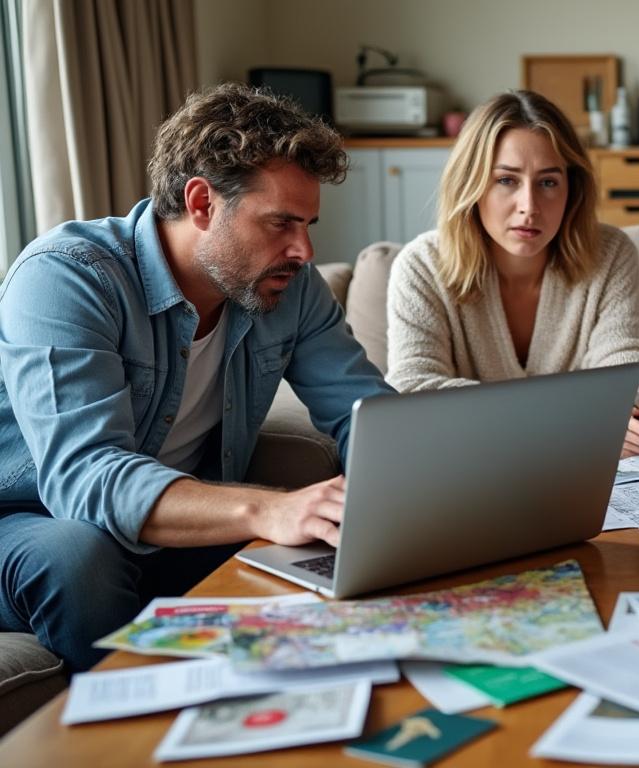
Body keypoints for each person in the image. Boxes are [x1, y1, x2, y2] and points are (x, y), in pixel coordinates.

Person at [0, 84, 393, 671]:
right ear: (203, 203)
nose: (305, 250)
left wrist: (409, 493)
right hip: (30, 519)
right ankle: (129, 720)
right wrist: (267, 509)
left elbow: (366, 413)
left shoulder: (291, 290)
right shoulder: (66, 276)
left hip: (175, 525)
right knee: (79, 555)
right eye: (281, 223)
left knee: (320, 545)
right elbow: (86, 478)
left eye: (308, 224)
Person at [385, 91, 639, 458]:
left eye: (548, 182)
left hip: (582, 467)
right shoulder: (421, 266)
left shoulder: (610, 254)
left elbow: (631, 376)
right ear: (471, 184)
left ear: (572, 189)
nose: (529, 207)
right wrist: (575, 420)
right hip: (468, 467)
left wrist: (622, 417)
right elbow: (411, 392)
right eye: (506, 180)